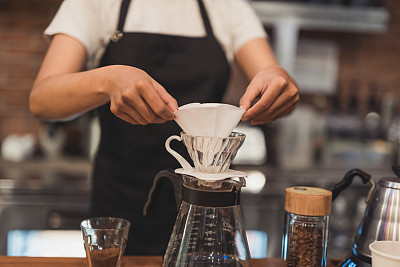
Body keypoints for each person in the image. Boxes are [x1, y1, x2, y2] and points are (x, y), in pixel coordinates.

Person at [29, 0, 299, 255]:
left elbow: (272, 76)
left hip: (208, 213)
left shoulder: (225, 6)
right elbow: (42, 99)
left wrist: (278, 79)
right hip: (122, 211)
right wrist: (108, 80)